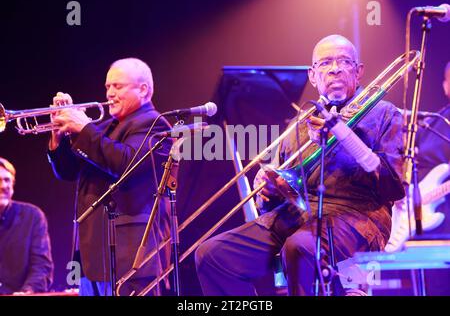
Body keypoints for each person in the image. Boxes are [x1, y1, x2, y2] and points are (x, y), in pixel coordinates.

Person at [195, 35, 405, 296]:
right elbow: (284, 190)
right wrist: (269, 189)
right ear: (312, 75)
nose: (335, 69)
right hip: (298, 218)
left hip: (359, 218)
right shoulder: (299, 124)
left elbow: (394, 186)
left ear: (359, 71)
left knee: (300, 247)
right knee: (212, 256)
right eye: (325, 63)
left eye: (344, 62)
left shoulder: (384, 113)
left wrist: (343, 135)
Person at [47, 58, 173, 296]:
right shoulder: (105, 128)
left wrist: (84, 127)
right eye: (107, 87)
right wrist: (58, 136)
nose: (110, 93)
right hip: (92, 255)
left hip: (129, 256)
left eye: (118, 86)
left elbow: (126, 164)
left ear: (143, 89)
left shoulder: (155, 124)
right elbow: (68, 172)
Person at [386, 61, 450, 294]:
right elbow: (410, 160)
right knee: (428, 280)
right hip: (421, 214)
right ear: (445, 86)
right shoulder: (434, 120)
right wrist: (402, 191)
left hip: (446, 212)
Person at [0, 157, 53, 295]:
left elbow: (41, 266)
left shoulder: (32, 216)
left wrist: (27, 291)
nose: (4, 186)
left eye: (7, 180)